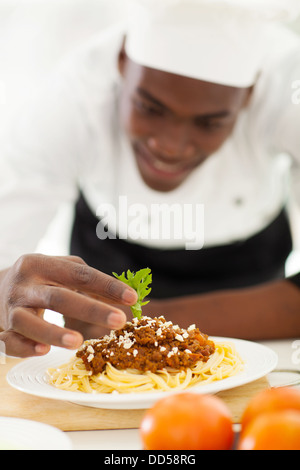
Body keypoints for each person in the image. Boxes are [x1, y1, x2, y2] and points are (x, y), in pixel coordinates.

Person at [0, 0, 300, 358]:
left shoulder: (289, 87)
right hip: (106, 267)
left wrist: (143, 320)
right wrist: (8, 291)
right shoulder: (73, 96)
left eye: (210, 122)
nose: (170, 147)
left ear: (250, 94)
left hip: (251, 283)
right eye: (149, 107)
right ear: (122, 63)